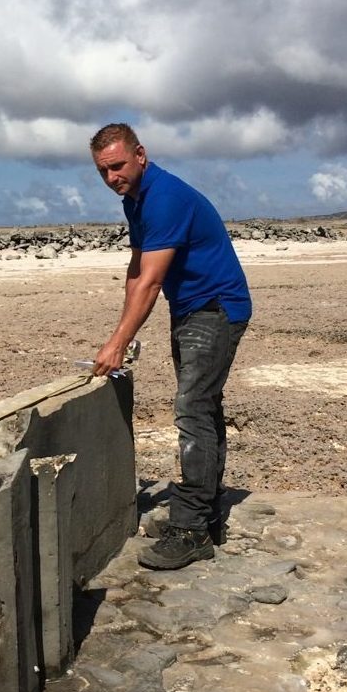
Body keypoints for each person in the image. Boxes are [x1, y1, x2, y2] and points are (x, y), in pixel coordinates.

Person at [89, 123, 251, 570]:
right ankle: (207, 514)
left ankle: (192, 530)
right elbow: (137, 270)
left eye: (118, 166)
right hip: (191, 308)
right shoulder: (135, 199)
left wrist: (119, 342)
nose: (112, 178)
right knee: (204, 407)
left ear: (140, 155)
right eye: (102, 171)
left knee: (192, 408)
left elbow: (153, 281)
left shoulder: (164, 198)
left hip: (216, 308)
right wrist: (120, 332)